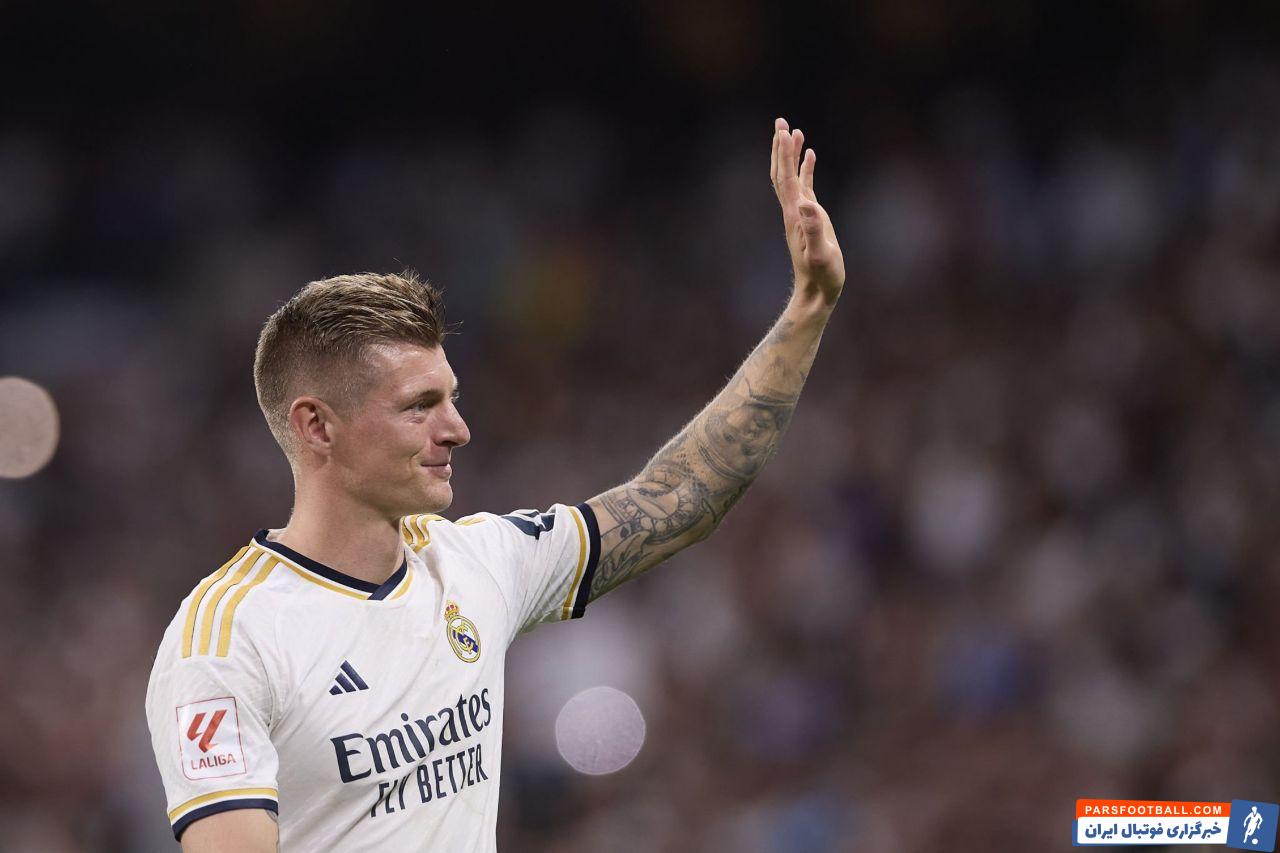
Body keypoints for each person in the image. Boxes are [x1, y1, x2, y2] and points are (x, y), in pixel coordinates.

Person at [145, 117, 845, 852]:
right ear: (317, 426)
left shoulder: (477, 563)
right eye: (419, 406)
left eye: (451, 398)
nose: (457, 429)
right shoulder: (228, 641)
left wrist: (808, 308)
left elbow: (682, 498)